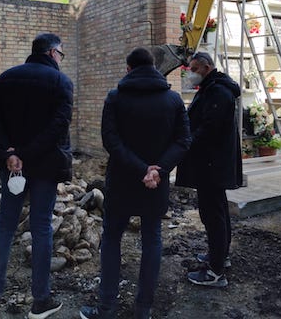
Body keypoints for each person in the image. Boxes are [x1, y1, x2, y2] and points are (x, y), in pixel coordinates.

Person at [80, 47, 191, 319]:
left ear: (128, 69)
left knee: (111, 239)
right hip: (156, 183)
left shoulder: (115, 98)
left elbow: (111, 141)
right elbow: (183, 141)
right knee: (152, 239)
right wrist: (157, 170)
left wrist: (140, 169)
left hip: (121, 181)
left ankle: (106, 308)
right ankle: (144, 310)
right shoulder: (173, 100)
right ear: (153, 67)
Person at [0, 33, 73, 319]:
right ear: (52, 52)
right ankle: (40, 301)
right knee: (42, 227)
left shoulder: (6, 78)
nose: (60, 59)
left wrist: (10, 152)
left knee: (5, 227)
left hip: (12, 167)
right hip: (44, 166)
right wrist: (28, 153)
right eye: (61, 54)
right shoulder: (61, 82)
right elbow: (60, 124)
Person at [175, 52, 242, 287]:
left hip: (211, 165)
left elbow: (209, 129)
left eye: (193, 69)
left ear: (206, 67)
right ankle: (220, 256)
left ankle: (215, 272)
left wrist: (186, 141)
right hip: (212, 164)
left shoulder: (218, 92)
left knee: (213, 215)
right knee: (218, 211)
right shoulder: (213, 88)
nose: (191, 74)